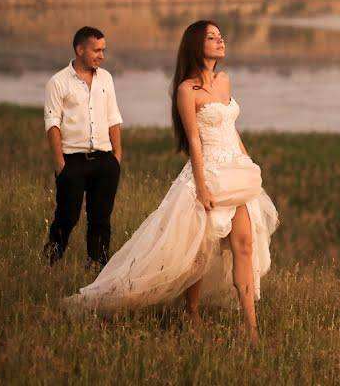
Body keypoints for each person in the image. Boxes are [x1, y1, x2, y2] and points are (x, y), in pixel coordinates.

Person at [65, 20, 279, 342]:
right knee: (197, 253)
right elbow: (194, 140)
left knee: (244, 248)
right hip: (208, 175)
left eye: (221, 36)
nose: (220, 41)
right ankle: (189, 312)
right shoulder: (186, 90)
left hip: (236, 170)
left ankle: (252, 329)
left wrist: (248, 163)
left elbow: (231, 128)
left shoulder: (224, 81)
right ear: (197, 44)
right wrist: (203, 187)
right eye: (212, 37)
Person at [44, 26, 123, 267]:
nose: (101, 55)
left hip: (104, 160)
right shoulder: (58, 82)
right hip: (72, 161)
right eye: (96, 50)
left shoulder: (106, 78)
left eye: (103, 50)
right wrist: (60, 163)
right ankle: (50, 262)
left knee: (100, 220)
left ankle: (98, 268)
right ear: (80, 50)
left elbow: (113, 118)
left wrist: (116, 158)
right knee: (67, 217)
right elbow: (52, 123)